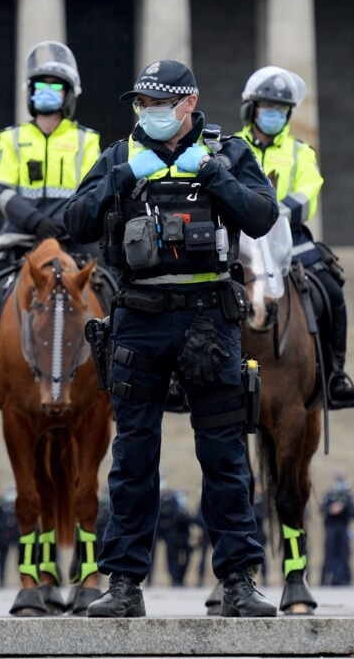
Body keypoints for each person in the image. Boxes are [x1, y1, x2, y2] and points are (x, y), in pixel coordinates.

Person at [64, 59, 279, 618]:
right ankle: (124, 585)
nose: (150, 113)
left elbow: (261, 216)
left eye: (160, 103)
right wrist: (123, 178)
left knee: (225, 456)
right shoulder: (119, 157)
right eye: (143, 104)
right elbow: (75, 222)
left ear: (189, 103)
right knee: (133, 458)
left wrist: (214, 176)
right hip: (138, 317)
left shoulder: (227, 152)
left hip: (209, 319)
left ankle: (238, 581)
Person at [0, 40, 101, 424]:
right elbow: (0, 188)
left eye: (56, 87)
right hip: (19, 240)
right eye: (41, 87)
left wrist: (65, 223)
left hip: (74, 241)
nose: (47, 94)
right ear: (30, 95)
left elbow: (91, 191)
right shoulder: (13, 138)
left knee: (115, 298)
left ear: (68, 95)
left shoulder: (88, 141)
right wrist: (36, 222)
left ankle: (116, 385)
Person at [235, 67, 354, 409]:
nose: (274, 113)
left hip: (289, 237)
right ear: (252, 109)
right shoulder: (230, 148)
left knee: (331, 291)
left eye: (281, 108)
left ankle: (335, 373)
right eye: (267, 106)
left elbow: (309, 193)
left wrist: (271, 212)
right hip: (240, 243)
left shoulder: (301, 152)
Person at [320, 473, 354, 587]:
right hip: (331, 528)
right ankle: (325, 580)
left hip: (343, 528)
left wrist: (344, 507)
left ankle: (345, 579)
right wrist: (331, 509)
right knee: (329, 555)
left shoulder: (348, 497)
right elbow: (322, 509)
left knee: (344, 555)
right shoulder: (329, 495)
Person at [158, 488, 194, 587]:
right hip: (172, 537)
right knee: (172, 559)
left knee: (183, 558)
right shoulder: (171, 509)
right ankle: (175, 579)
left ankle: (180, 578)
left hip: (183, 538)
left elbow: (189, 522)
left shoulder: (184, 510)